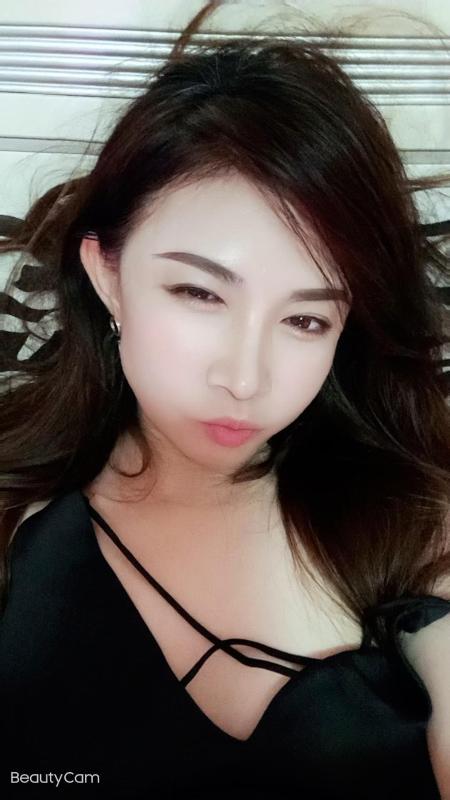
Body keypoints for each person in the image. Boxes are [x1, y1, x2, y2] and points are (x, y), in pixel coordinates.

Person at [1, 2, 449, 798]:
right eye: (200, 293)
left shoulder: (409, 522)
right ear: (108, 275)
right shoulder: (17, 529)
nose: (246, 378)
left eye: (306, 319)